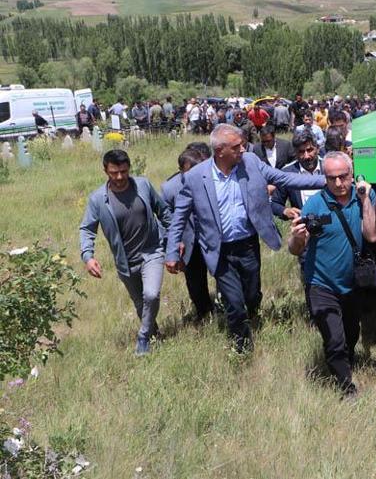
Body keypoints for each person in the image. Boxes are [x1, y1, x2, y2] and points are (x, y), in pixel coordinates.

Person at [164, 124, 326, 352]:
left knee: (251, 295)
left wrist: (328, 180)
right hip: (218, 250)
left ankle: (252, 314)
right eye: (237, 147)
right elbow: (179, 217)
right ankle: (242, 348)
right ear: (220, 151)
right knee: (233, 302)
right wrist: (171, 252)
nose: (243, 149)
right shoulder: (194, 177)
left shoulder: (250, 162)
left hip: (248, 245)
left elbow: (285, 179)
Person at [288, 152, 376, 398]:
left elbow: (371, 235)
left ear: (352, 174)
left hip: (353, 284)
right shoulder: (315, 204)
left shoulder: (364, 198)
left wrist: (366, 199)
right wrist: (296, 237)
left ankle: (346, 360)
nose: (338, 184)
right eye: (331, 178)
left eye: (343, 177)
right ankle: (346, 386)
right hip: (321, 283)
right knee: (334, 338)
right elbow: (296, 249)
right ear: (323, 178)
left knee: (351, 333)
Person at [79, 149, 171, 355]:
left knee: (151, 294)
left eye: (123, 171)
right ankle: (154, 335)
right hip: (125, 261)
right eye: (114, 173)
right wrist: (88, 256)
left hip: (152, 251)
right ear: (105, 171)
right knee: (140, 302)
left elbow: (163, 211)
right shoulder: (97, 199)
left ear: (129, 168)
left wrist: (175, 240)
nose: (119, 177)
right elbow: (87, 228)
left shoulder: (143, 186)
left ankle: (143, 337)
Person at [161, 148, 213, 322]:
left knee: (224, 276)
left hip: (212, 238)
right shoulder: (169, 189)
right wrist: (174, 244)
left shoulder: (210, 179)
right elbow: (165, 219)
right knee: (196, 283)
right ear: (181, 170)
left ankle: (226, 308)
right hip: (188, 243)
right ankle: (205, 314)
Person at [271, 132, 323, 221]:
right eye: (301, 152)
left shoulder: (330, 167)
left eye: (310, 150)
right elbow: (274, 203)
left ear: (317, 149)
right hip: (304, 229)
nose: (306, 156)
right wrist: (285, 211)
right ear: (295, 153)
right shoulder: (287, 173)